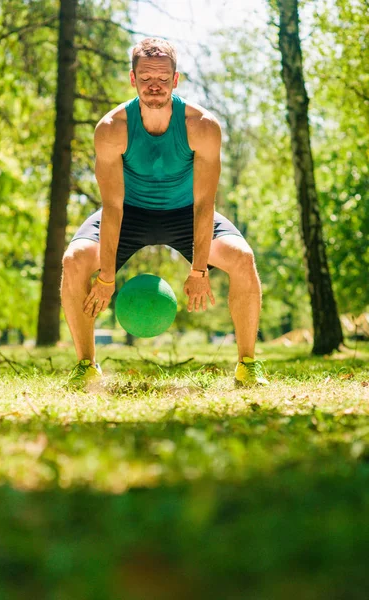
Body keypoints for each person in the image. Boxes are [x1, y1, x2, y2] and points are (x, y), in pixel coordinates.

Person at [61, 38, 268, 389]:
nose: (154, 85)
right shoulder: (112, 129)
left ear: (176, 80)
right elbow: (112, 207)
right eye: (146, 78)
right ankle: (86, 365)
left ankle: (247, 364)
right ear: (132, 79)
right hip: (129, 212)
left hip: (186, 212)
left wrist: (200, 269)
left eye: (162, 78)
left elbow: (204, 204)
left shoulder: (201, 126)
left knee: (243, 258)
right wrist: (107, 278)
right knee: (75, 258)